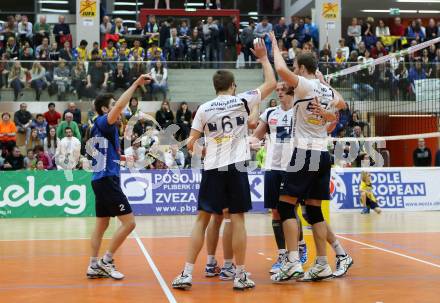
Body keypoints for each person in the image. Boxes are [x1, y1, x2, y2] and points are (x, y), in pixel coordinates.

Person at [171, 38, 276, 291]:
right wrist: (262, 58)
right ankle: (239, 275)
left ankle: (186, 273)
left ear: (215, 86)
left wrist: (202, 147)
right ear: (232, 85)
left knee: (202, 219)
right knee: (237, 219)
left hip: (213, 167)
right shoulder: (241, 100)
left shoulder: (204, 108)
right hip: (237, 166)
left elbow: (191, 143)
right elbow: (272, 83)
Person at [271, 32, 353, 281]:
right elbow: (342, 104)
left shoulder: (305, 85)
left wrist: (275, 46)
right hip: (322, 155)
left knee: (285, 206)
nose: (293, 71)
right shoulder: (327, 92)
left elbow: (280, 69)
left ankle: (294, 262)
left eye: (296, 67)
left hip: (304, 153)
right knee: (314, 211)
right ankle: (322, 264)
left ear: (303, 68)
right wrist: (325, 82)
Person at [86, 74, 152, 280]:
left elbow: (105, 153)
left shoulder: (104, 128)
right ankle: (106, 261)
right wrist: (135, 83)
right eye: (113, 105)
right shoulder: (104, 122)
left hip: (100, 179)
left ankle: (93, 265)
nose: (119, 107)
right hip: (107, 180)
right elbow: (119, 107)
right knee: (129, 223)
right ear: (105, 109)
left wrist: (122, 157)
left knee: (102, 224)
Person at [251, 82, 308, 276]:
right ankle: (283, 255)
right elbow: (256, 135)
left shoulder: (300, 110)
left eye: (283, 89)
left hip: (293, 167)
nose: (279, 92)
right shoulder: (270, 113)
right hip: (272, 167)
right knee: (275, 212)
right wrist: (248, 143)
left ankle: (300, 247)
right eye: (278, 89)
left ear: (292, 90)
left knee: (291, 209)